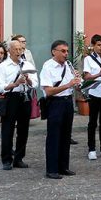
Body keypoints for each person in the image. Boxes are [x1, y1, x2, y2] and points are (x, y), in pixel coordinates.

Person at [40, 40, 81, 179]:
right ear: (54, 51)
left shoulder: (68, 66)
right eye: (63, 51)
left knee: (65, 135)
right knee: (54, 136)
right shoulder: (48, 66)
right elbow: (49, 91)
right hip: (55, 103)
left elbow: (72, 86)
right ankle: (51, 169)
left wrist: (77, 82)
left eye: (67, 51)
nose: (66, 54)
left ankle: (64, 166)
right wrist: (68, 84)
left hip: (67, 102)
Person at [0, 40, 34, 170]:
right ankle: (6, 159)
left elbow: (35, 84)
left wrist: (28, 79)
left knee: (23, 130)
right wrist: (15, 84)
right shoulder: (3, 66)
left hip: (24, 98)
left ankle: (19, 158)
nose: (19, 51)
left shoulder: (27, 64)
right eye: (16, 49)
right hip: (10, 98)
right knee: (8, 129)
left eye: (21, 49)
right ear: (9, 51)